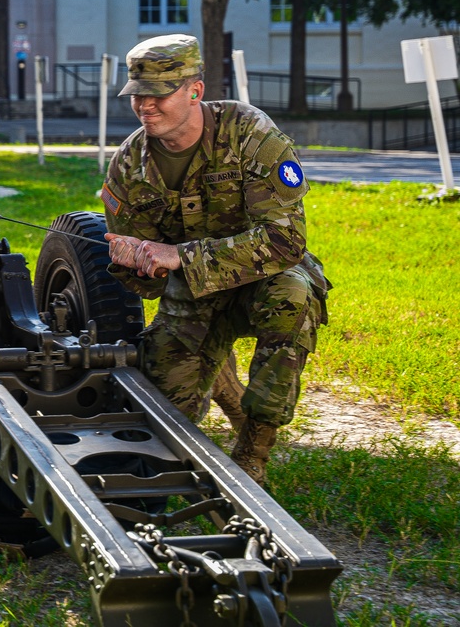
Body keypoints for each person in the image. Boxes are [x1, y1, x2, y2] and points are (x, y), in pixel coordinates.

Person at [101, 35, 330, 484]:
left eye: (159, 94)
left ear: (194, 91)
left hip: (265, 278)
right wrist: (136, 262)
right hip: (193, 297)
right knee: (159, 413)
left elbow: (286, 241)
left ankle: (253, 450)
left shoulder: (250, 133)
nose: (145, 106)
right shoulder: (129, 165)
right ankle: (218, 377)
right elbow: (149, 284)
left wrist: (179, 255)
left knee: (294, 298)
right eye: (137, 95)